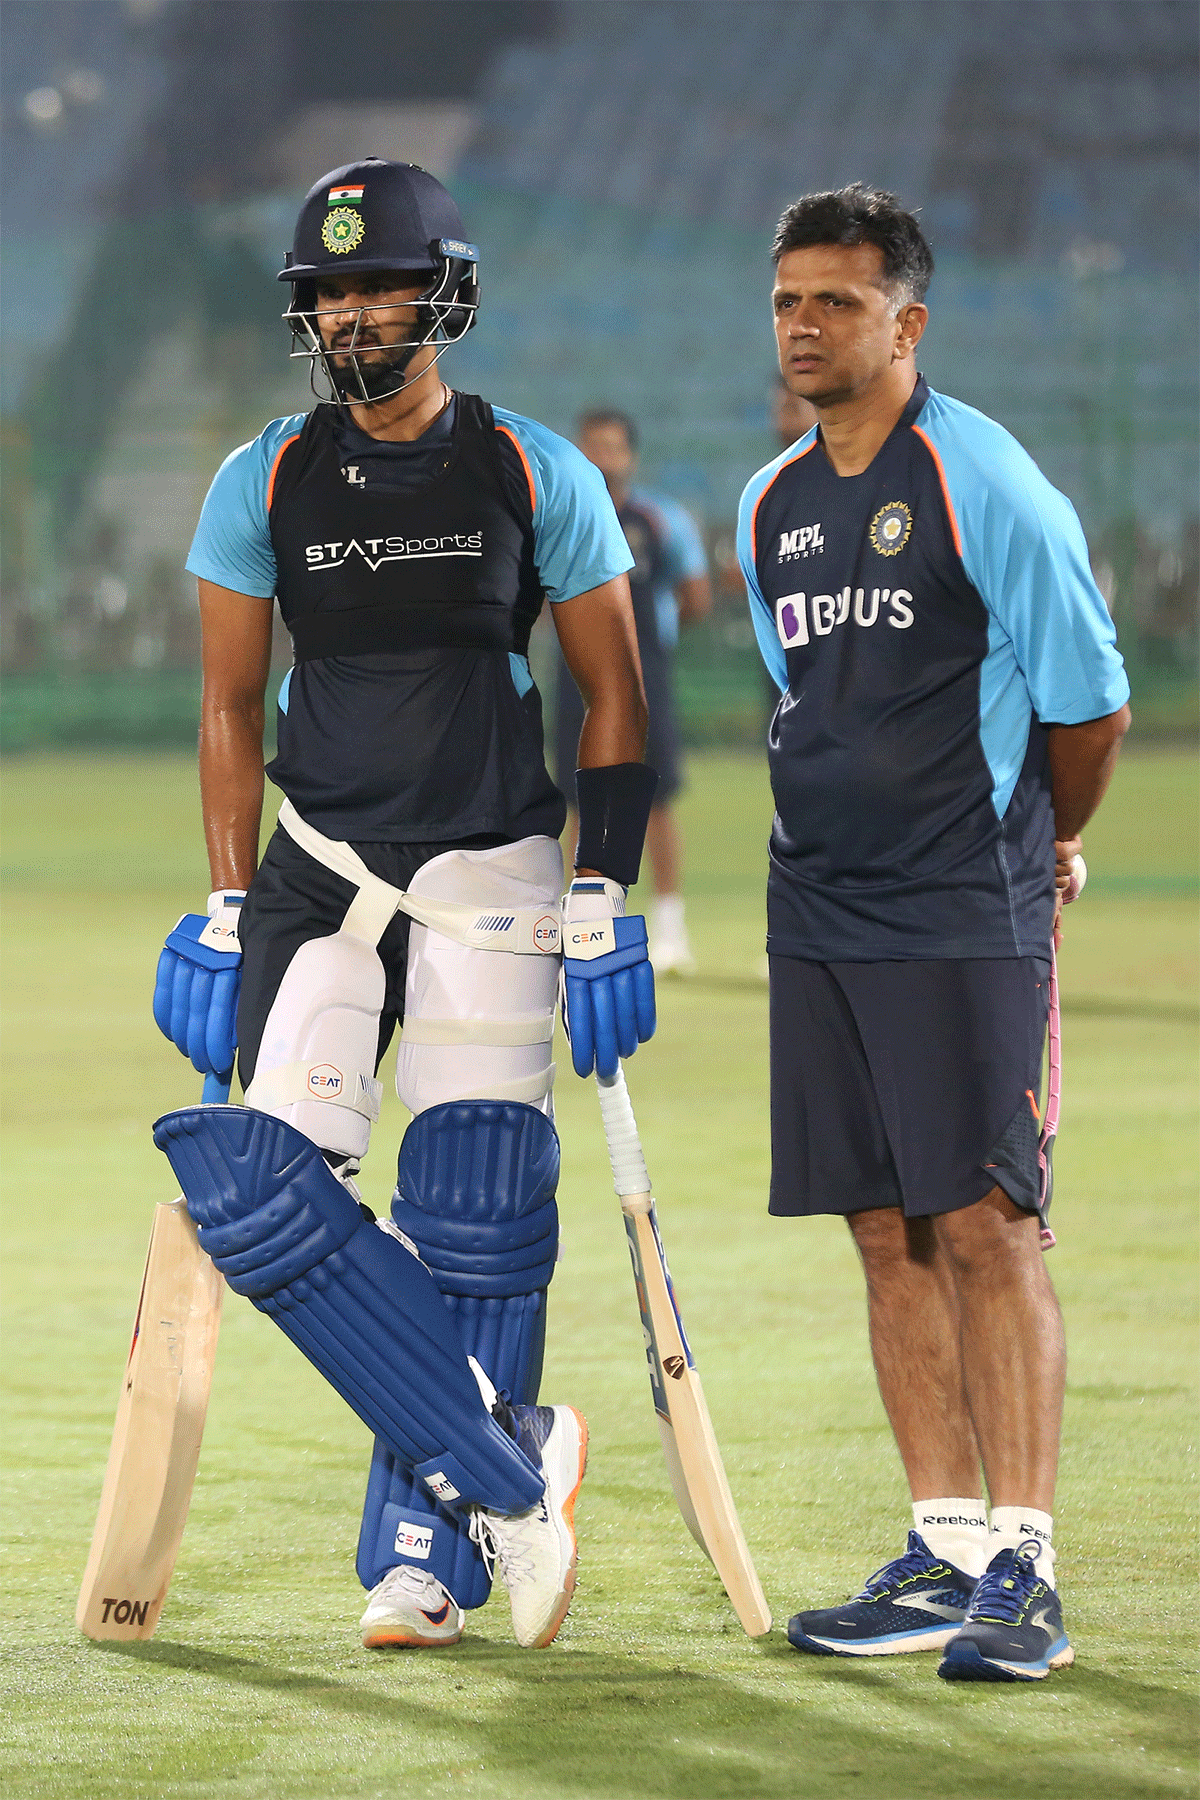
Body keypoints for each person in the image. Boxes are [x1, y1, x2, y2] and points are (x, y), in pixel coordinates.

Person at [150, 159, 660, 1653]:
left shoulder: (527, 468)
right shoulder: (262, 477)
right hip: (319, 866)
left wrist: (603, 889)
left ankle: (426, 1552)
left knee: (478, 1213)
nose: (353, 310)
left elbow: (617, 688)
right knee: (249, 1192)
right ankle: (515, 1460)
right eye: (329, 290)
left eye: (379, 284)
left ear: (443, 294)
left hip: (493, 859)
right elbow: (230, 708)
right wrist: (229, 900)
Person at [737, 184, 1130, 1682]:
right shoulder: (770, 502)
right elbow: (802, 700)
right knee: (883, 1229)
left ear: (908, 321)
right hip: (819, 905)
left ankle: (1025, 1570)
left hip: (965, 905)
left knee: (984, 1225)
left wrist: (1048, 840)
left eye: (835, 301)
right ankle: (946, 1545)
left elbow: (1088, 705)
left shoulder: (988, 482)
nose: (803, 326)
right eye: (786, 300)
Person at [553, 411, 712, 974]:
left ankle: (670, 929)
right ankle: (580, 923)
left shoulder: (658, 519)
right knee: (575, 801)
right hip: (574, 679)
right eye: (591, 446)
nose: (601, 457)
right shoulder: (559, 517)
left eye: (612, 447)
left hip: (647, 680)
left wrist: (656, 635)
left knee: (655, 801)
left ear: (631, 456)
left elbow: (696, 596)